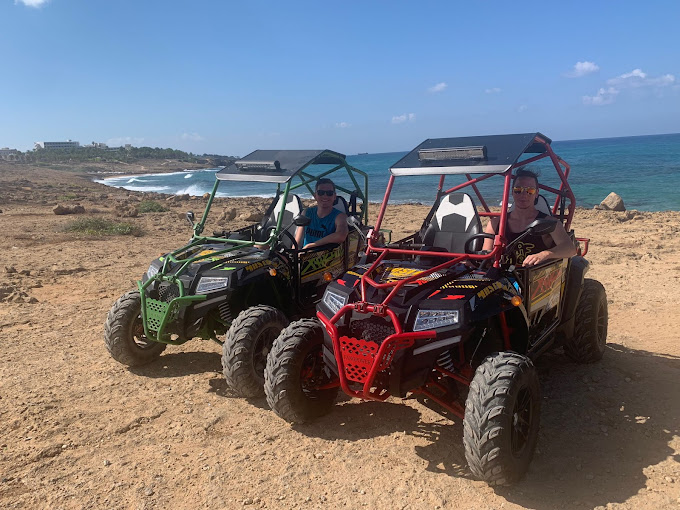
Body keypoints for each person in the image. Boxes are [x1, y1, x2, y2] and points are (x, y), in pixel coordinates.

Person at [482, 168, 577, 266]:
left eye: (530, 190)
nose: (524, 194)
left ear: (536, 193)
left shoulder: (549, 223)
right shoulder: (495, 224)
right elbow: (485, 256)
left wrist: (544, 254)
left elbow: (570, 249)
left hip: (534, 277)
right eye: (518, 190)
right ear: (512, 192)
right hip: (502, 277)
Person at [295, 178, 349, 249]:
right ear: (315, 196)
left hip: (326, 257)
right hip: (304, 255)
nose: (325, 196)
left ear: (334, 196)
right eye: (321, 193)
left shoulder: (340, 216)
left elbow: (341, 235)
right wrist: (294, 255)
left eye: (329, 193)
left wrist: (312, 245)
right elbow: (297, 241)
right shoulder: (307, 213)